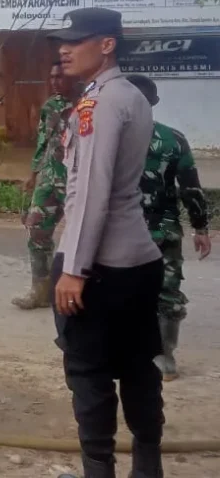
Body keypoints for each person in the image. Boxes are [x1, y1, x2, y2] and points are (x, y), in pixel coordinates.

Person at [47, 8, 165, 478]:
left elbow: (92, 191)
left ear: (108, 45)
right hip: (138, 260)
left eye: (76, 41)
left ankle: (99, 468)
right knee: (138, 366)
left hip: (99, 267)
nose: (64, 48)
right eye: (63, 41)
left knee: (89, 373)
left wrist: (74, 267)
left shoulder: (99, 103)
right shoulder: (131, 95)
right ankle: (147, 463)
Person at [126, 74, 212, 382]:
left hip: (124, 231)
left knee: (121, 288)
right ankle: (163, 355)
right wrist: (201, 227)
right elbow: (191, 188)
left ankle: (136, 353)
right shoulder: (174, 137)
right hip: (159, 230)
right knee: (166, 292)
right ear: (155, 102)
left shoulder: (107, 135)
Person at [13, 61, 75, 309]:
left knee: (84, 238)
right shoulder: (50, 106)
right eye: (52, 77)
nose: (55, 81)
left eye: (60, 77)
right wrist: (34, 174)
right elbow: (43, 142)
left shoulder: (88, 103)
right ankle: (41, 291)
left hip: (76, 181)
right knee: (37, 230)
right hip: (49, 179)